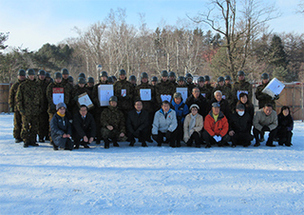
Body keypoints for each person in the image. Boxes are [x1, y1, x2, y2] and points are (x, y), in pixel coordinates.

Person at [15, 69, 43, 147]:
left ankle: (33, 140)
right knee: (25, 126)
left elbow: (41, 98)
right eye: (30, 75)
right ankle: (26, 140)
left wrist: (40, 107)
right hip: (26, 110)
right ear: (27, 76)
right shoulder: (22, 86)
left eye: (32, 75)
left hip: (35, 110)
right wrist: (21, 108)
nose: (31, 77)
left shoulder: (37, 86)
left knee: (35, 126)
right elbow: (18, 98)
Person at [135, 72, 156, 142]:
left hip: (149, 108)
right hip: (141, 109)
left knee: (149, 123)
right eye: (143, 78)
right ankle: (141, 137)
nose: (144, 80)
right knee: (141, 124)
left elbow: (154, 97)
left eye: (145, 78)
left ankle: (148, 137)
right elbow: (135, 97)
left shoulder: (151, 87)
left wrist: (151, 99)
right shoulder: (138, 87)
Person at [92, 71, 109, 144]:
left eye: (105, 77)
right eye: (102, 77)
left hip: (107, 107)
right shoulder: (97, 86)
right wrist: (97, 102)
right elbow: (94, 96)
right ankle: (98, 137)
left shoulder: (109, 86)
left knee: (106, 122)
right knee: (98, 123)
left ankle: (106, 138)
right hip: (98, 108)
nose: (104, 78)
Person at [9, 69, 26, 143]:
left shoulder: (27, 84)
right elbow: (11, 96)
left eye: (23, 76)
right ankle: (17, 136)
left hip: (25, 107)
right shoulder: (15, 85)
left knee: (25, 123)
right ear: (18, 76)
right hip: (17, 107)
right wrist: (11, 105)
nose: (22, 77)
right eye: (20, 76)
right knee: (17, 122)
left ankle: (24, 136)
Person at [37, 69, 49, 143]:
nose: (42, 76)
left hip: (47, 105)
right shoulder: (36, 84)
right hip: (38, 105)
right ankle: (41, 136)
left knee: (47, 121)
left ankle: (47, 135)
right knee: (40, 122)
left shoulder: (47, 84)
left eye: (43, 75)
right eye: (40, 75)